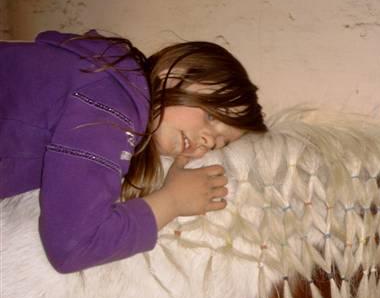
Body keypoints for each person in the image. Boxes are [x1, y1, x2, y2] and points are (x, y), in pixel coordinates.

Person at [0, 30, 267, 273]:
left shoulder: (106, 83)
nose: (208, 140)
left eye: (219, 143)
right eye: (210, 116)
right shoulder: (112, 104)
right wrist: (172, 201)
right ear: (174, 75)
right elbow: (72, 247)